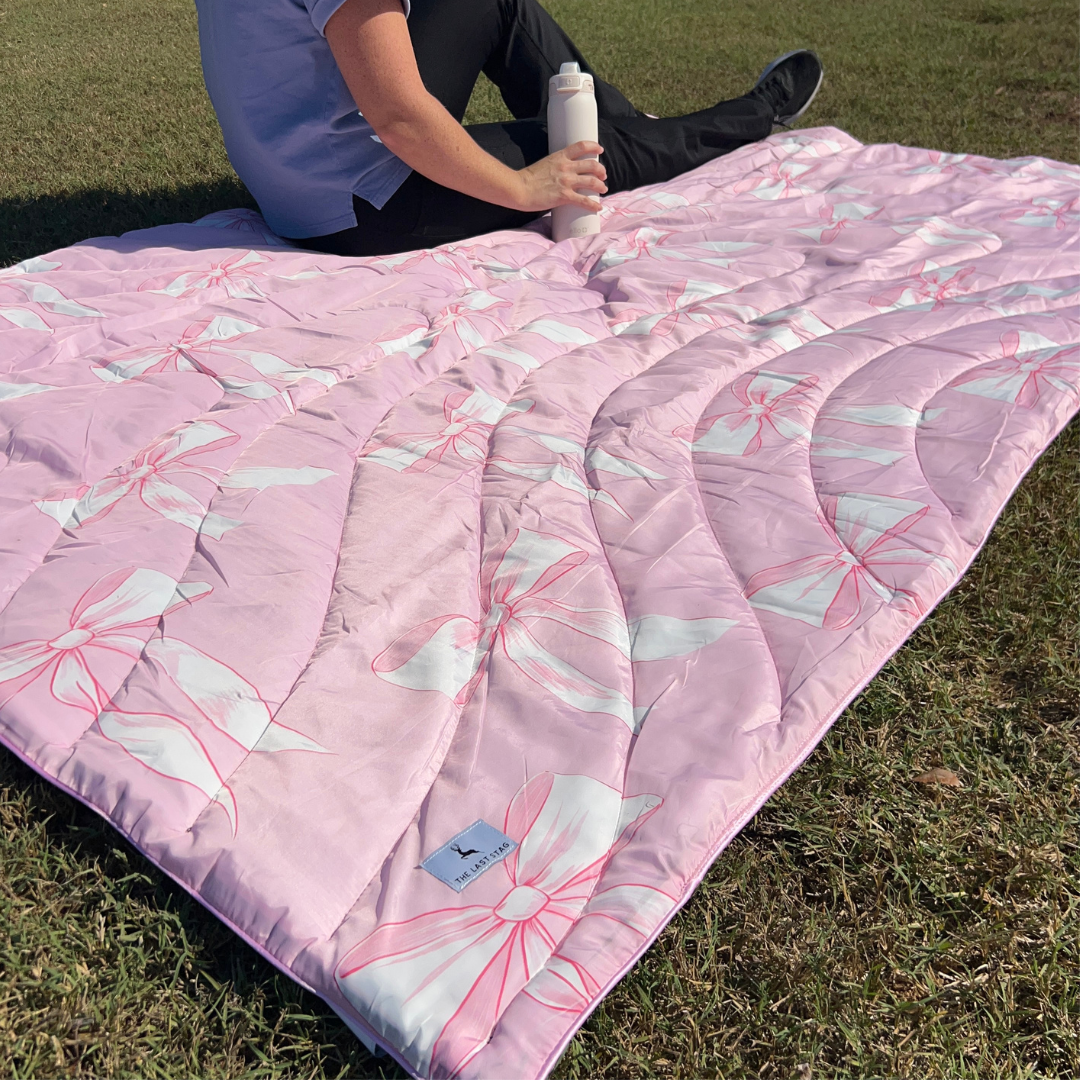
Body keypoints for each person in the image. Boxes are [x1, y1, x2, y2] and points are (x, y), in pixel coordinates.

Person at [193, 0, 823, 257]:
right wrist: (524, 188)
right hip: (361, 201)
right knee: (597, 154)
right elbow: (399, 118)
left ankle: (618, 119)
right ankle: (757, 115)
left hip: (292, 173)